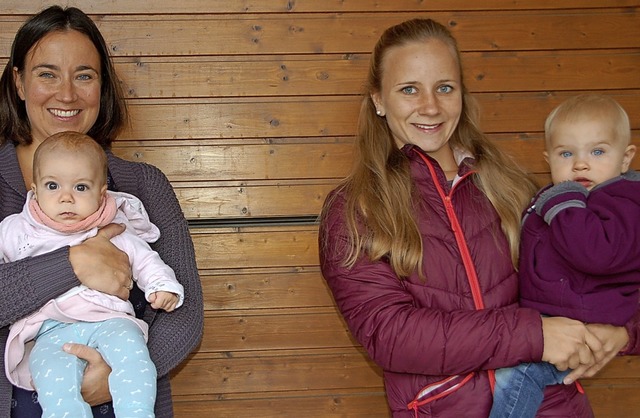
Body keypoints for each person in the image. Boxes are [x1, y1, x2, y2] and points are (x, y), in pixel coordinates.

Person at [318, 18, 638, 417]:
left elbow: (609, 268)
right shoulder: (354, 210)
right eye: (409, 89)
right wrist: (535, 335)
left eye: (445, 88)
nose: (430, 106)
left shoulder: (514, 187)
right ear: (379, 99)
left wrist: (625, 332)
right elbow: (391, 335)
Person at [0, 6, 203, 418]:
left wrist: (117, 373)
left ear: (101, 87)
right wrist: (74, 262)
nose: (67, 94)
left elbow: (185, 314)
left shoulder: (143, 186)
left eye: (85, 75)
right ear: (19, 83)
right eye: (47, 73)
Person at [3, 131, 185, 418]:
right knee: (55, 383)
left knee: (134, 361)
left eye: (80, 188)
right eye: (53, 186)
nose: (66, 198)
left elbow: (145, 259)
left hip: (111, 320)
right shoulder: (17, 231)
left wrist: (162, 286)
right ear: (35, 191)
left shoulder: (114, 228)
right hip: (50, 330)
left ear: (101, 194)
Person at [489, 94, 639, 418]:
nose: (580, 163)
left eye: (598, 151)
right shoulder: (568, 199)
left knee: (519, 375)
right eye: (566, 153)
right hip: (560, 318)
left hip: (584, 327)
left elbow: (594, 253)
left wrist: (566, 199)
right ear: (548, 159)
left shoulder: (624, 202)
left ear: (626, 158)